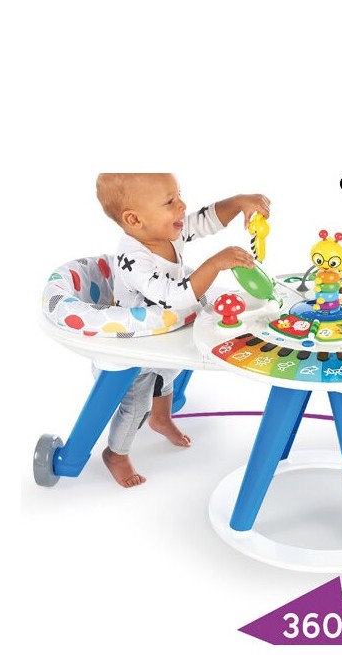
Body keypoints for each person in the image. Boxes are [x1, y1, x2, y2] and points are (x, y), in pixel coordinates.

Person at [94, 174, 270, 487]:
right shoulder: (133, 259)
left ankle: (161, 419)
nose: (182, 206)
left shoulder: (164, 230)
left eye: (179, 195)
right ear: (134, 220)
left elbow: (205, 220)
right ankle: (116, 454)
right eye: (170, 202)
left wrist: (238, 202)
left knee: (167, 375)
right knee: (136, 403)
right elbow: (173, 296)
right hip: (136, 343)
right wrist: (215, 264)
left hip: (164, 331)